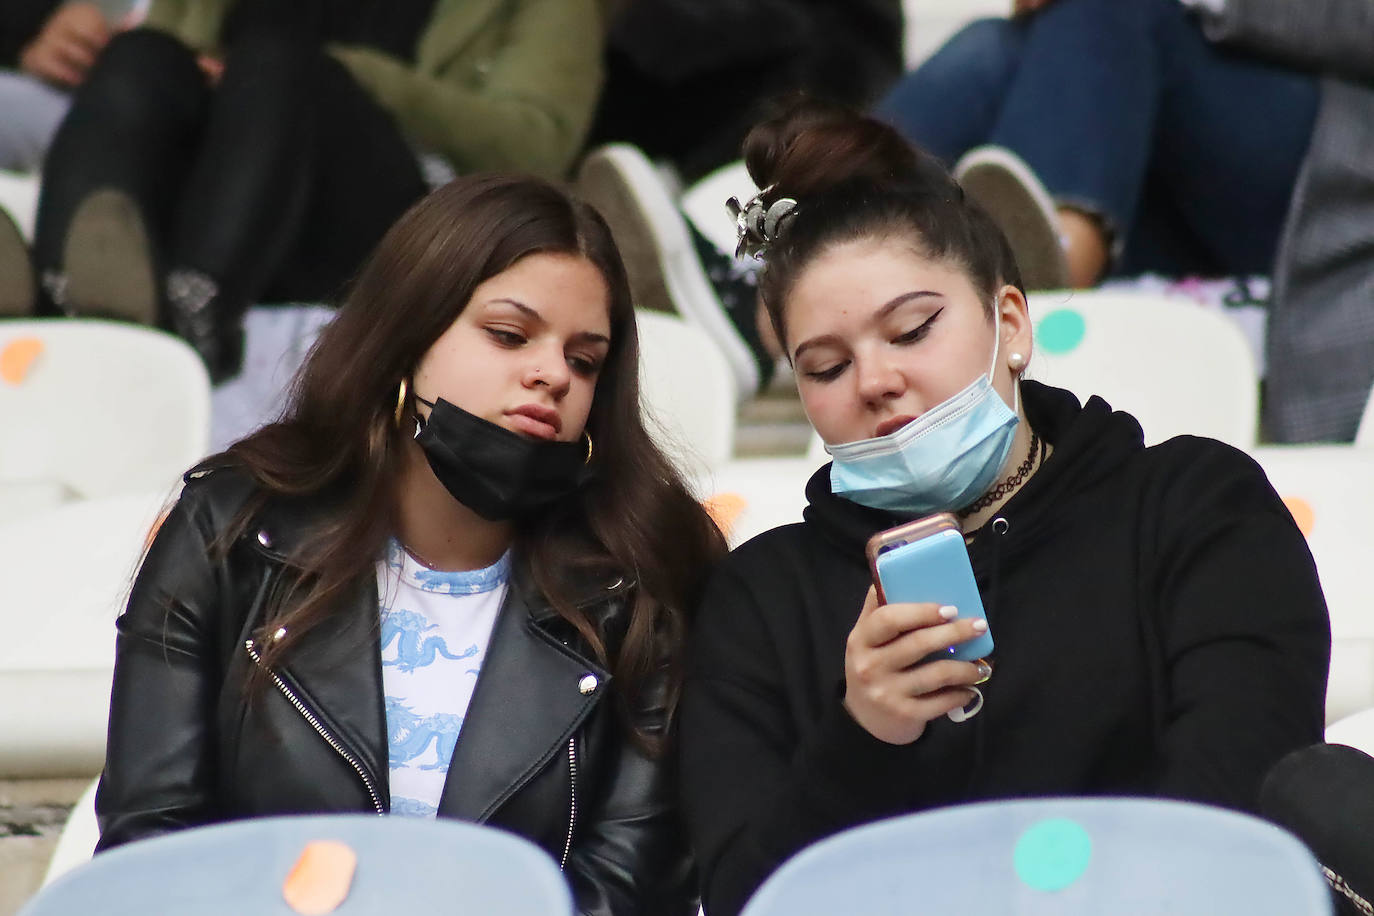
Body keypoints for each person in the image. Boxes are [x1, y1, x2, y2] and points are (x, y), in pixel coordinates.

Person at [676, 103, 1331, 916]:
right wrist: (860, 735)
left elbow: (1238, 805)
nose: (874, 381)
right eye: (826, 365)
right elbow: (744, 894)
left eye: (913, 329)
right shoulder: (760, 596)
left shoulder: (1194, 506)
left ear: (1011, 322)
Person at [96, 174, 726, 916]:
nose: (552, 374)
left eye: (585, 360)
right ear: (406, 338)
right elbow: (151, 847)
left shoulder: (646, 578)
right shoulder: (231, 530)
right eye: (508, 334)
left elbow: (628, 888)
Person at [15, 0, 602, 382]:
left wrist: (357, 78)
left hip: (385, 216)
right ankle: (58, 300)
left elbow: (537, 143)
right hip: (213, 175)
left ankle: (193, 317)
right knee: (139, 56)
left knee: (281, 66)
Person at [873, 0, 1374, 442]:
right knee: (992, 48)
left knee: (1101, 8)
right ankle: (818, 238)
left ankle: (1052, 262)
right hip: (1156, 158)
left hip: (1332, 169)